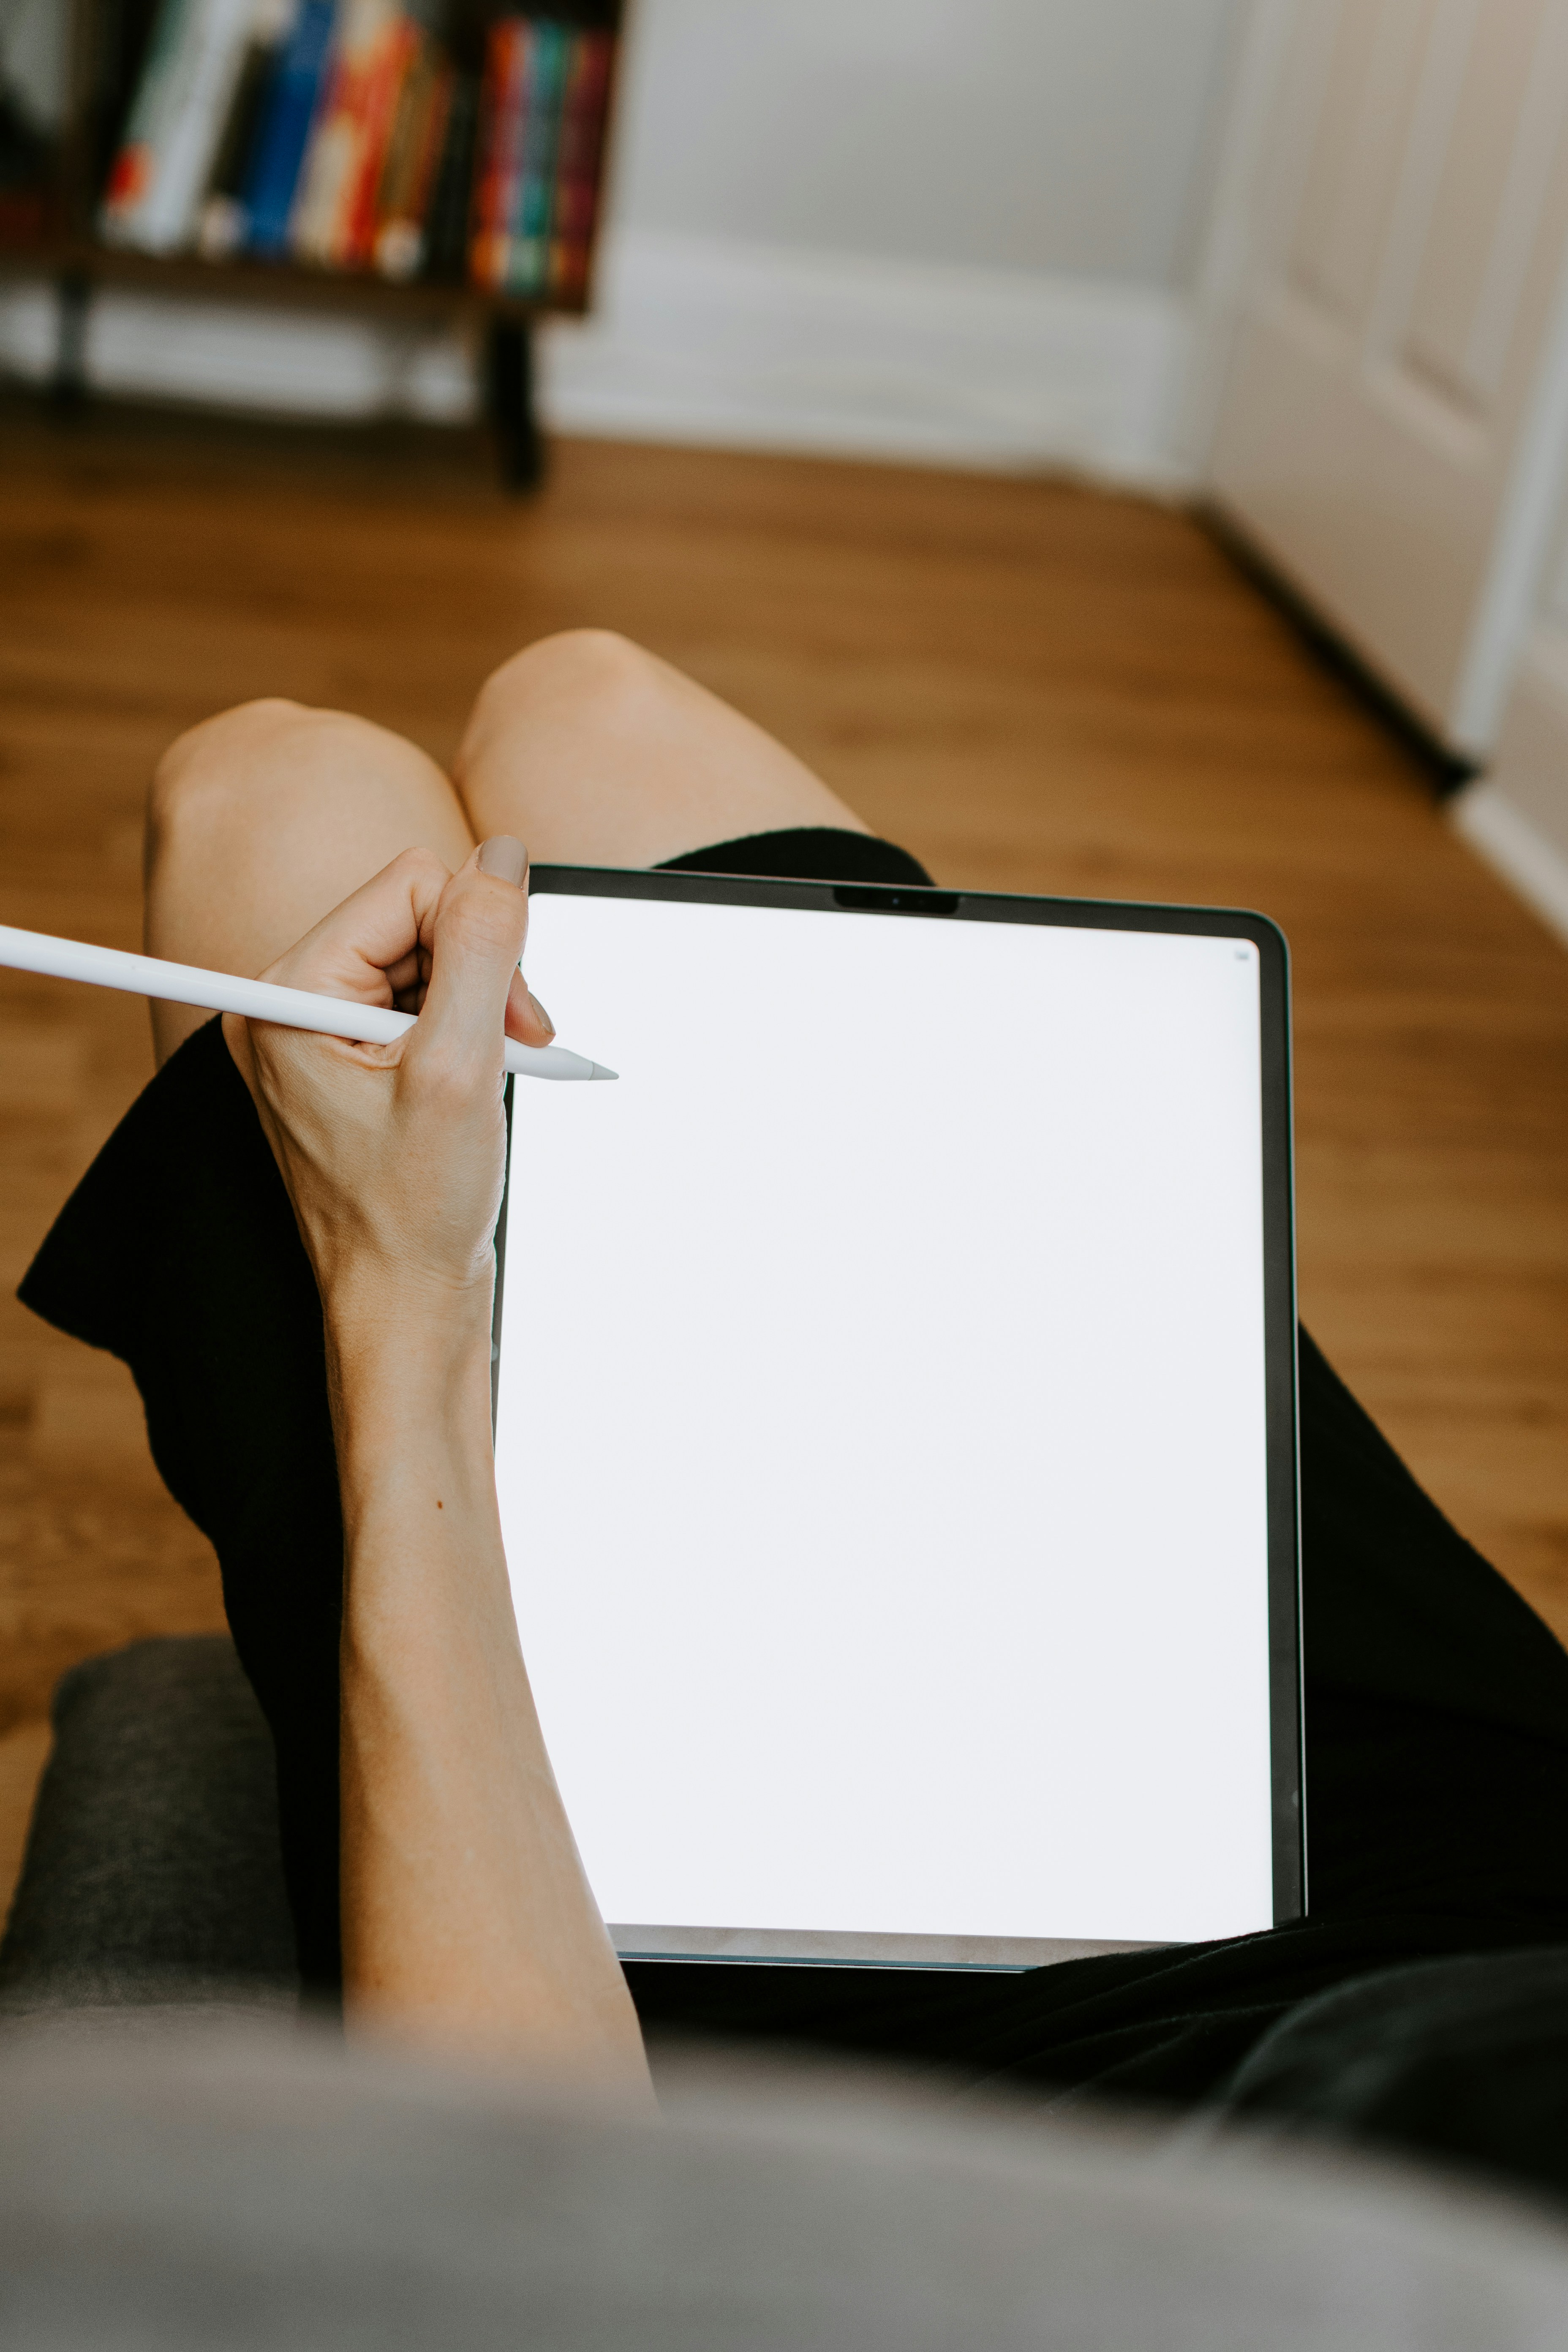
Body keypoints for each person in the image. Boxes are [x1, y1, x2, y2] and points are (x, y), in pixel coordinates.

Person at [19, 632, 1568, 2166]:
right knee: (589, 699)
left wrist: (398, 1282)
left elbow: (546, 2208)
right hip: (1475, 1883)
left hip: (920, 2093)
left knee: (266, 789)